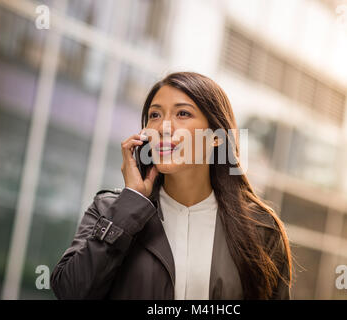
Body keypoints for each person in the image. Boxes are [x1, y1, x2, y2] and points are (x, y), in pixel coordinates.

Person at [50, 71, 293, 300]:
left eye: (183, 114)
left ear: (217, 137)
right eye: (155, 115)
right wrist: (130, 203)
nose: (164, 127)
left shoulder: (260, 229)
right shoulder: (109, 210)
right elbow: (70, 291)